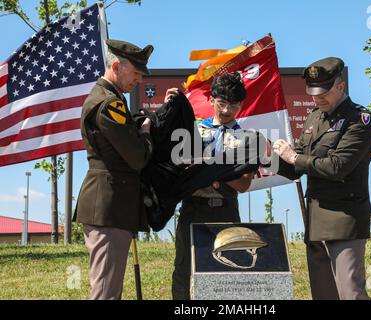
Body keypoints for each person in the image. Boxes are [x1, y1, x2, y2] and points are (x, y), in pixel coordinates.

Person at [272, 57, 371, 300]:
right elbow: (296, 166)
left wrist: (293, 157)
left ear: (341, 86)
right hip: (315, 220)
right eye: (313, 92)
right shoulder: (314, 118)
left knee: (350, 293)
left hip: (344, 220)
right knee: (324, 295)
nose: (317, 97)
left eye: (324, 92)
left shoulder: (360, 121)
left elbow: (337, 167)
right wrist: (269, 155)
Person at [74, 39, 166, 300]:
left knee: (109, 289)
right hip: (109, 207)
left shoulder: (112, 100)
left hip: (113, 205)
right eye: (136, 73)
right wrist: (146, 130)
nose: (139, 80)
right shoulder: (108, 104)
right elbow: (137, 157)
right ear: (116, 66)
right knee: (106, 292)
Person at [171, 72, 253, 300]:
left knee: (226, 269)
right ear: (211, 100)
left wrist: (215, 173)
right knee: (184, 269)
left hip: (226, 209)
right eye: (222, 103)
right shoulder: (195, 130)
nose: (226, 111)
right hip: (193, 208)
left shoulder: (247, 138)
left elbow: (244, 184)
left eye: (233, 105)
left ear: (241, 105)